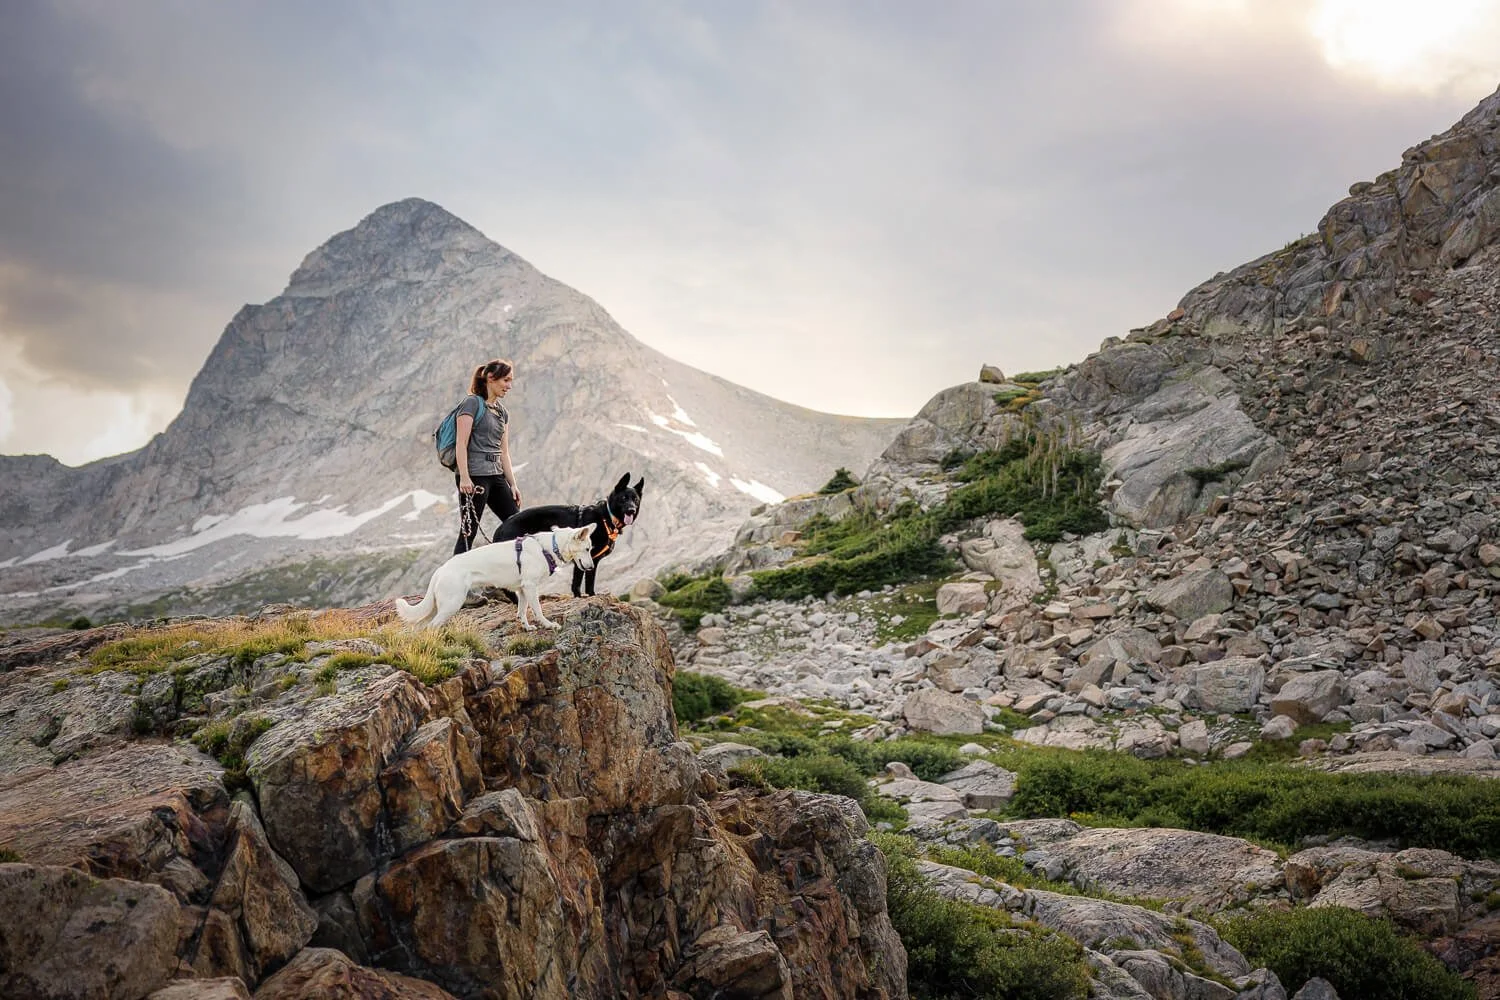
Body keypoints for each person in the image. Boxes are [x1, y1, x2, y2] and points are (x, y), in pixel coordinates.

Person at [453, 358, 522, 553]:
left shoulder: (502, 413)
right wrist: (464, 477)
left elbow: (504, 452)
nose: (509, 386)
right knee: (469, 532)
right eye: (506, 380)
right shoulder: (472, 403)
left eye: (511, 381)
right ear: (491, 378)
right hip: (474, 477)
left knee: (518, 524)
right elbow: (461, 443)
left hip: (496, 475)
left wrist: (513, 484)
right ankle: (454, 580)